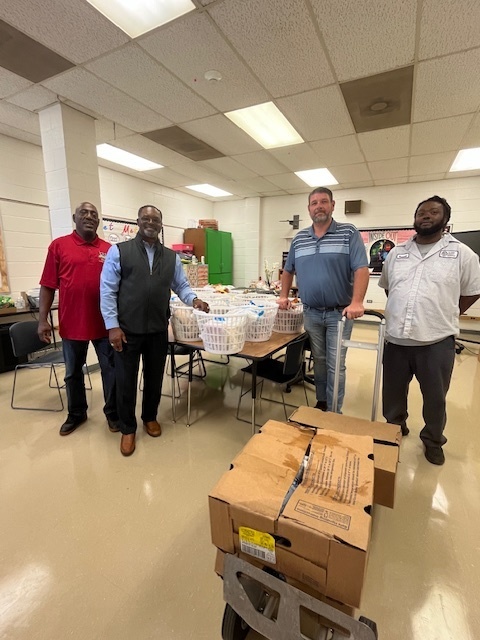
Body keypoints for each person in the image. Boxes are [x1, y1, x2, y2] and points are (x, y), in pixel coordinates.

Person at [100, 205, 210, 457]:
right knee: (126, 380)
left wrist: (194, 300)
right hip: (127, 330)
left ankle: (149, 416)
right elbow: (107, 291)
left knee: (154, 377)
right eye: (146, 218)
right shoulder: (119, 252)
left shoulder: (171, 257)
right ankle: (128, 428)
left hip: (158, 329)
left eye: (156, 219)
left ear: (161, 224)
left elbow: (181, 286)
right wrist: (112, 326)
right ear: (138, 221)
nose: (151, 222)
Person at [379, 195, 480, 465]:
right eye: (421, 212)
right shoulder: (397, 253)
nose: (426, 215)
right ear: (415, 218)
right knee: (392, 395)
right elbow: (391, 288)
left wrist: (446, 312)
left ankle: (433, 441)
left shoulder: (462, 254)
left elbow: (472, 291)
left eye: (433, 212)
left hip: (436, 343)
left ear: (445, 219)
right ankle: (394, 428)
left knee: (435, 399)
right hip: (397, 341)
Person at [278, 187, 369, 412]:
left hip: (340, 313)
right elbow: (288, 270)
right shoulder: (299, 239)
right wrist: (283, 296)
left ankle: (334, 412)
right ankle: (322, 401)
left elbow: (361, 268)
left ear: (332, 205)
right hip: (311, 312)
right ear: (309, 208)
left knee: (335, 364)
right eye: (314, 203)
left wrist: (357, 301)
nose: (319, 206)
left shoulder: (348, 233)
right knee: (318, 359)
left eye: (324, 201)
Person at [38, 202, 118, 436]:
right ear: (75, 217)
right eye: (84, 212)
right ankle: (76, 413)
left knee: (110, 370)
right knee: (73, 372)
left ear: (98, 221)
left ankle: (112, 413)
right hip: (72, 324)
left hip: (105, 324)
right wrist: (43, 320)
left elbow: (119, 287)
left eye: (94, 214)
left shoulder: (109, 249)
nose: (89, 216)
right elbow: (47, 285)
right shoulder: (59, 246)